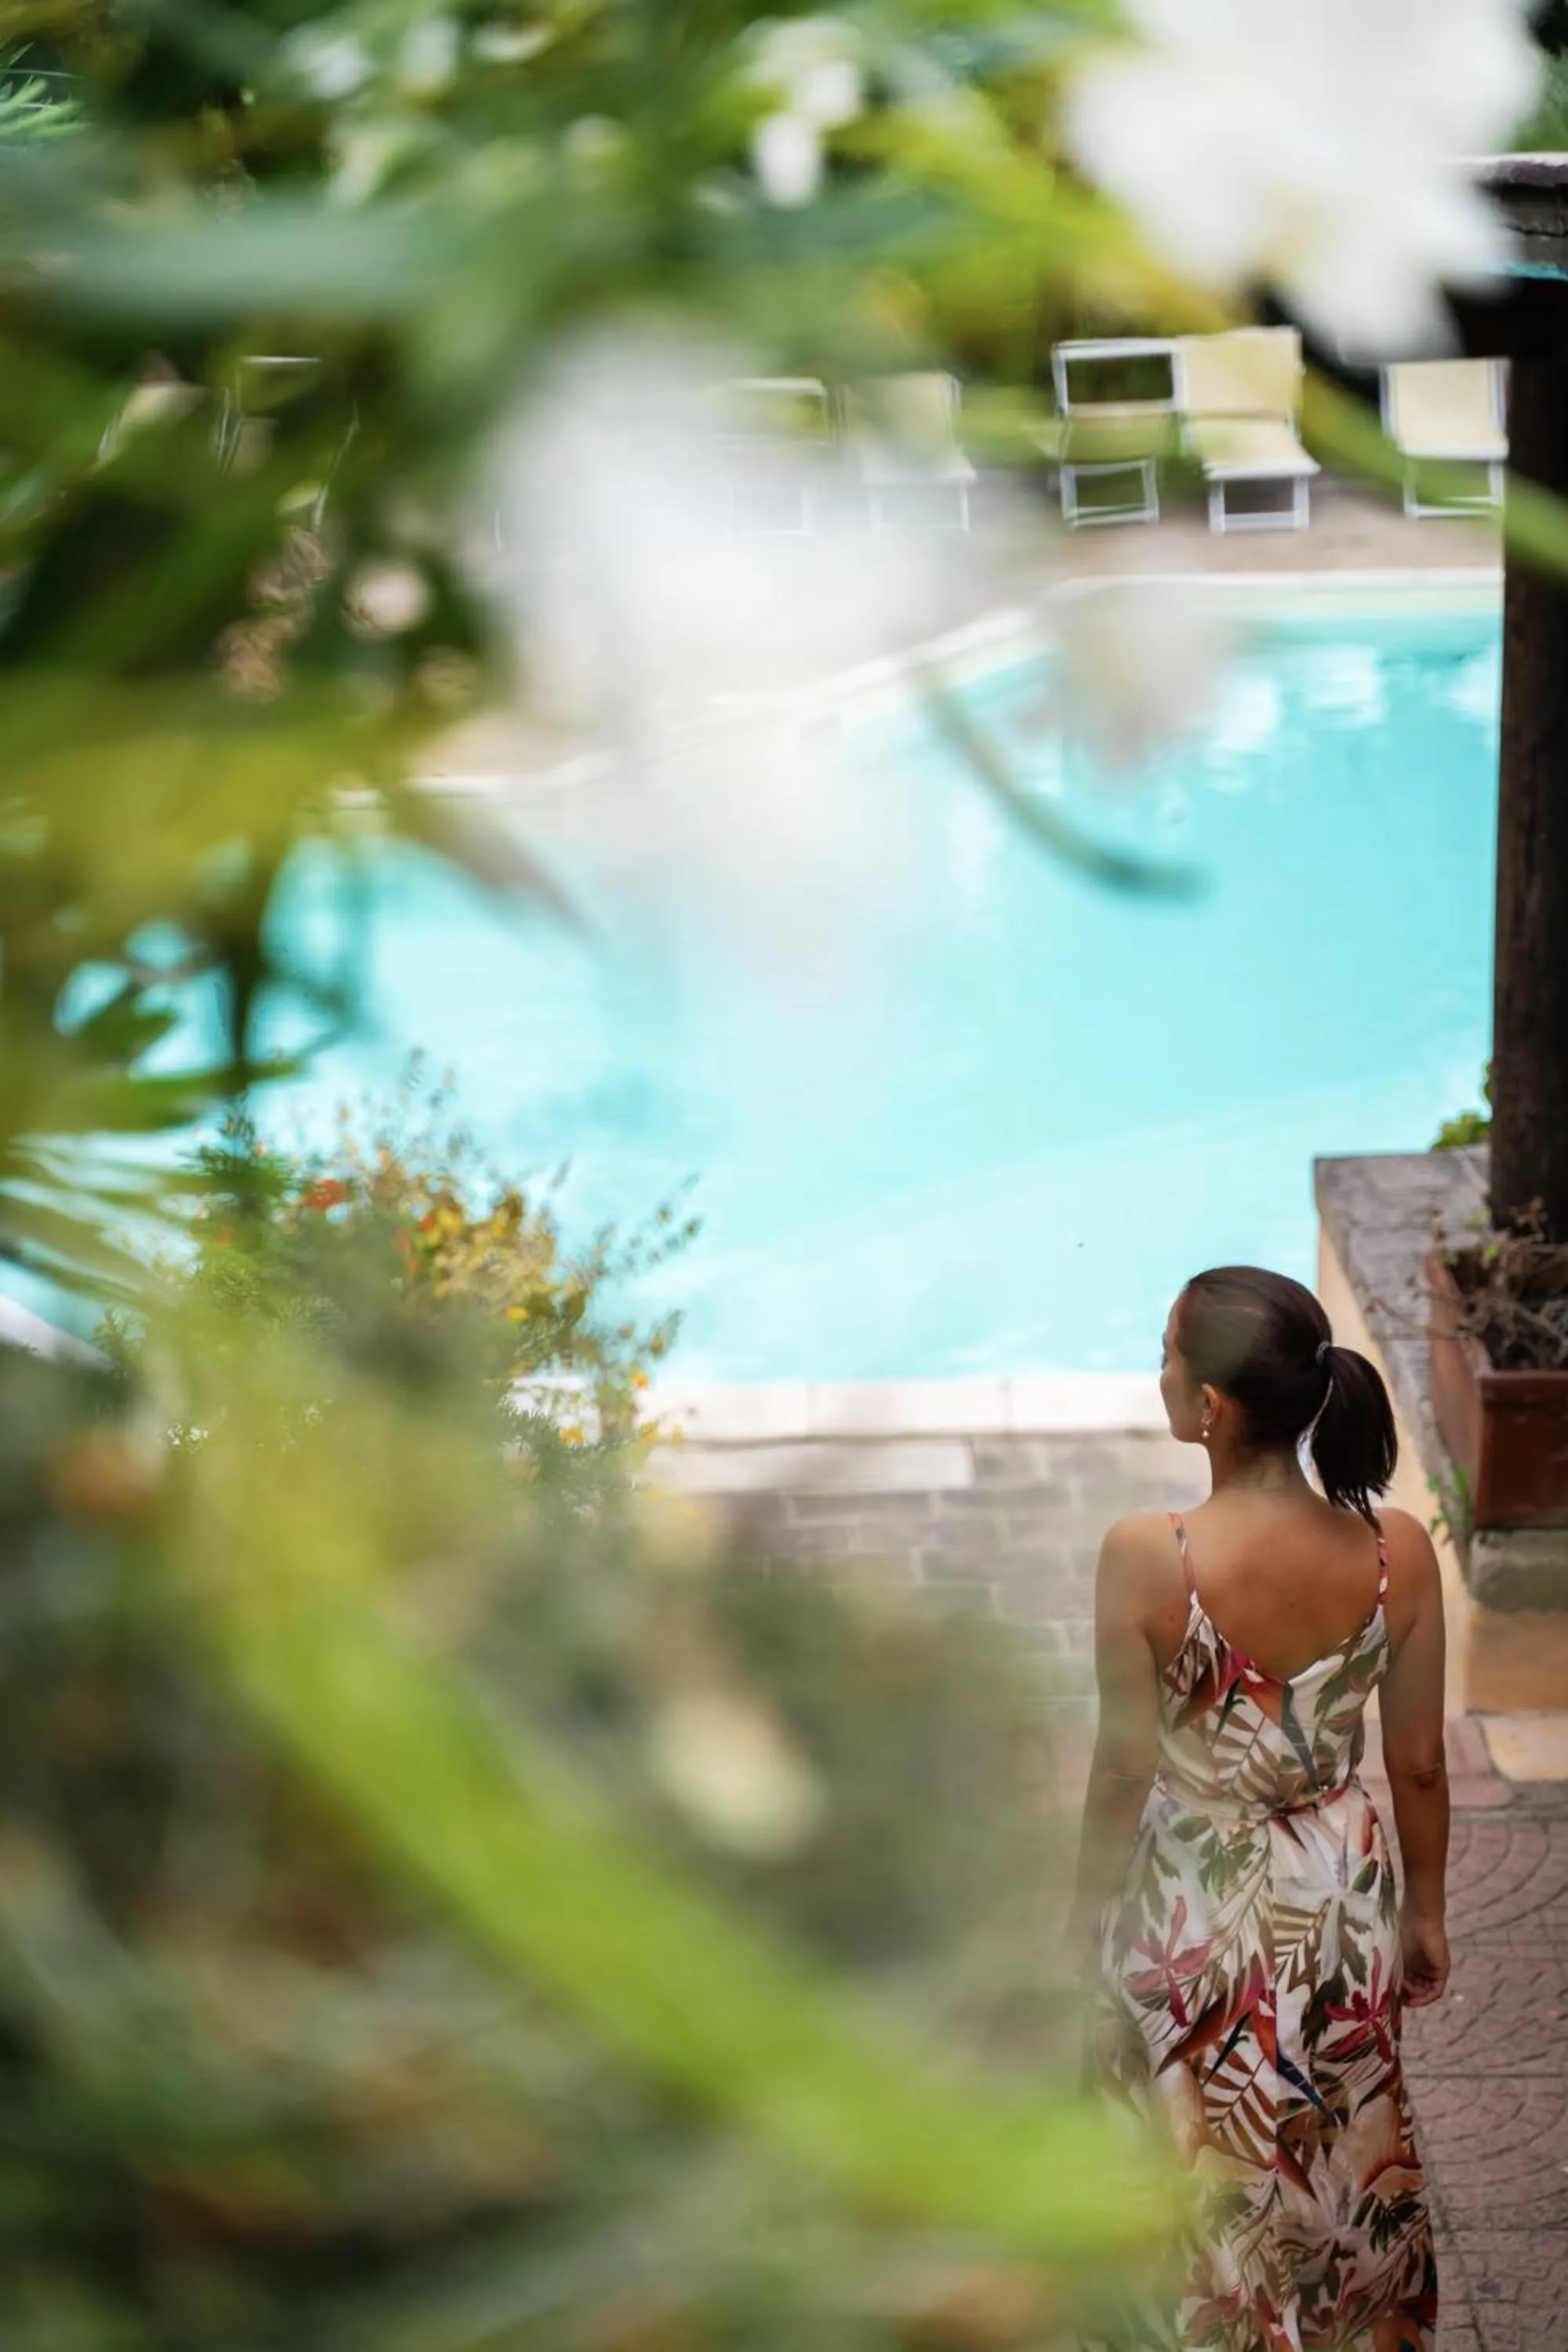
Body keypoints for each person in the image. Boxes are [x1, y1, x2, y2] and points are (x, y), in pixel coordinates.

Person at [1069, 1265, 1449, 2352]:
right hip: (1340, 1891)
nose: (1162, 1371)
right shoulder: (1397, 1554)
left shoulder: (1148, 1558)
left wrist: (1077, 1915)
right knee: (1330, 2135)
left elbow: (1120, 1769)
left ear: (1208, 1407)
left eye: (1167, 1353)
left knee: (1195, 2146)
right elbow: (1418, 1766)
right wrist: (1426, 1912)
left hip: (1190, 1891)